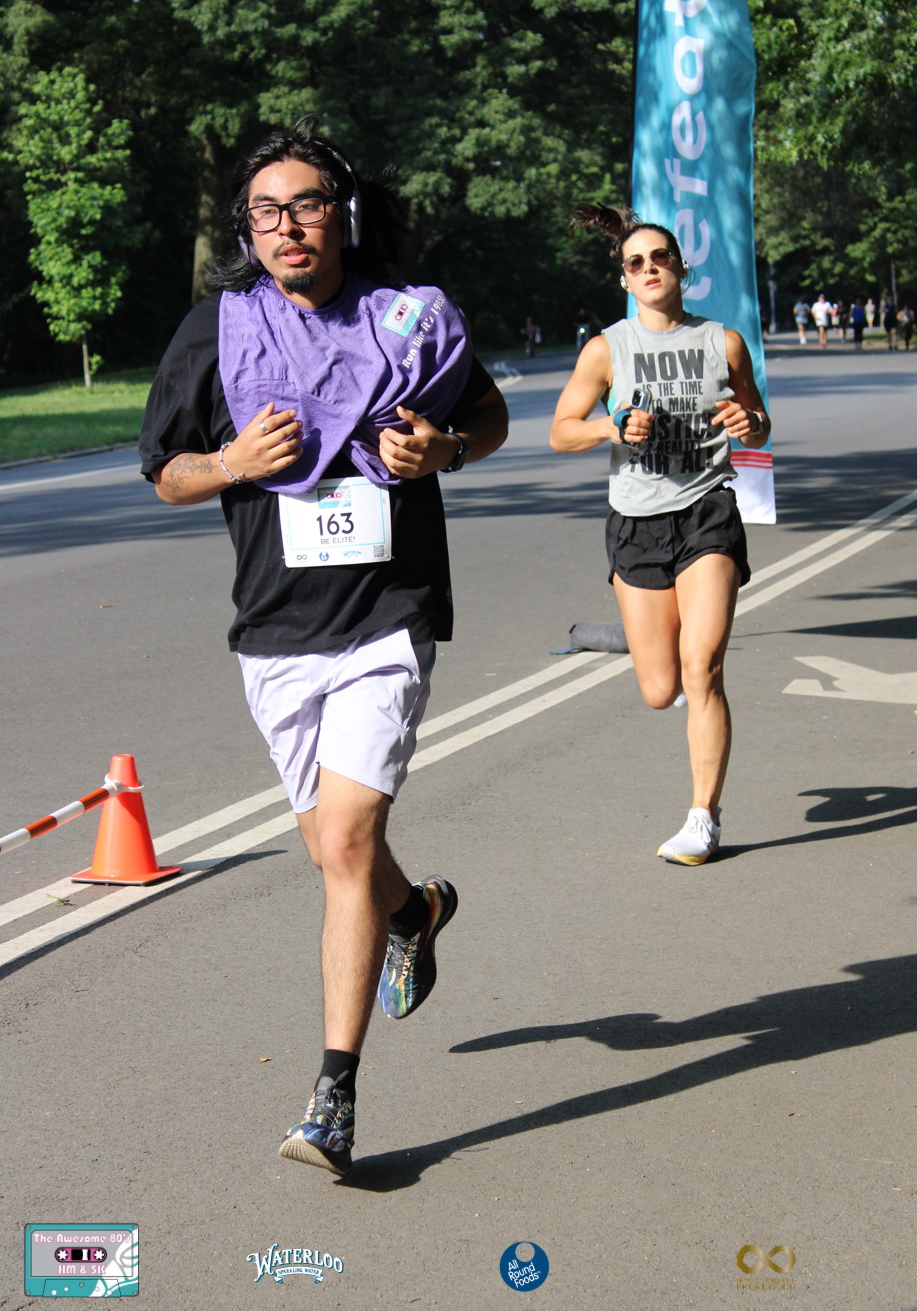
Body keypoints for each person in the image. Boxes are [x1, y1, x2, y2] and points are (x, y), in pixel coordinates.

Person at [138, 119, 508, 1178]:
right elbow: (165, 473)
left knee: (343, 841)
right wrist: (232, 462)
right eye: (265, 212)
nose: (286, 227)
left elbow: (486, 419)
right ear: (247, 231)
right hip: (276, 628)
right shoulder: (218, 330)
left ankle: (333, 1100)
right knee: (335, 853)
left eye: (304, 205)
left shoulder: (408, 321)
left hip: (389, 612)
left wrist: (444, 448)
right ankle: (414, 910)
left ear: (339, 216)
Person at [549, 204, 770, 867]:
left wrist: (749, 422)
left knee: (703, 668)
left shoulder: (723, 343)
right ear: (624, 278)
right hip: (637, 521)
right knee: (658, 689)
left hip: (707, 511)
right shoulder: (606, 349)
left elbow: (758, 421)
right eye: (635, 263)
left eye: (660, 258)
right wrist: (609, 427)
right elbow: (562, 431)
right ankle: (655, 641)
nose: (649, 269)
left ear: (681, 267)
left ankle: (704, 817)